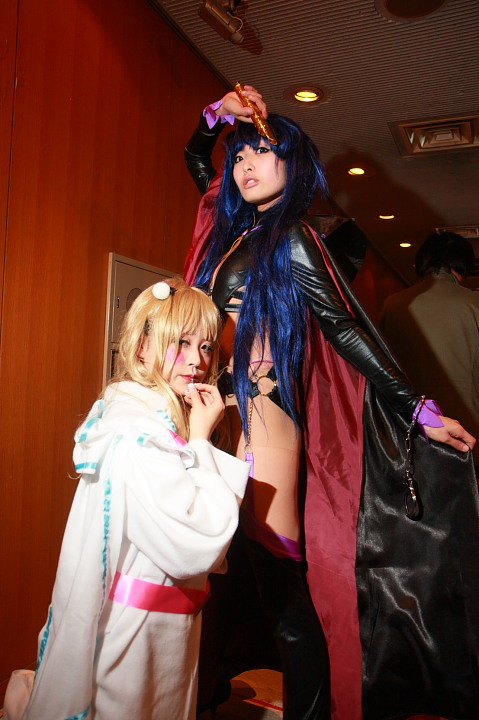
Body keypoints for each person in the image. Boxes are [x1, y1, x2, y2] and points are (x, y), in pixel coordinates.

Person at [184, 86, 479, 720]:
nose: (245, 164)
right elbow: (196, 162)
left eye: (263, 152)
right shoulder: (235, 233)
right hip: (222, 415)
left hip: (264, 417)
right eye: (240, 155)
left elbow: (344, 329)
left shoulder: (292, 237)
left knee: (282, 593)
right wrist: (217, 115)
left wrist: (416, 407)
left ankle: (312, 712)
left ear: (294, 164)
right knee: (231, 577)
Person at [4, 278, 250, 720]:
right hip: (135, 636)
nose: (197, 360)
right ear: (141, 347)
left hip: (160, 629)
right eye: (181, 342)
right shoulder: (138, 435)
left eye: (206, 346)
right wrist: (200, 438)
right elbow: (200, 542)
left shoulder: (152, 423)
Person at [381, 231, 479, 471]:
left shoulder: (393, 305)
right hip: (469, 429)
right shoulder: (474, 304)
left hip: (412, 429)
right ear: (463, 264)